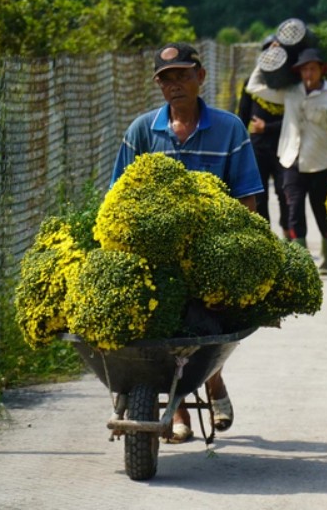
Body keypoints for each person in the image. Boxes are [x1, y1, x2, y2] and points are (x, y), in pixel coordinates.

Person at [111, 42, 264, 444]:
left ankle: (211, 381)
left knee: (203, 324)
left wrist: (238, 252)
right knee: (164, 330)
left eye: (181, 75)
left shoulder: (229, 128)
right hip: (157, 255)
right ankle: (180, 409)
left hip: (212, 251)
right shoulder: (143, 131)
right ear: (159, 87)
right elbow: (118, 197)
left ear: (200, 76)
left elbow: (247, 197)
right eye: (166, 79)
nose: (174, 85)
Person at [245, 46, 327, 276]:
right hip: (291, 162)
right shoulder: (290, 92)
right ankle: (305, 265)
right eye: (305, 69)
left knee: (322, 213)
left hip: (321, 165)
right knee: (294, 211)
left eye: (313, 69)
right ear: (299, 72)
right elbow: (253, 86)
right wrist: (267, 59)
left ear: (321, 71)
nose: (309, 74)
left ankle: (326, 259)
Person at [238, 33, 290, 236]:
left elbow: (294, 121)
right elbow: (243, 114)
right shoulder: (251, 83)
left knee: (284, 191)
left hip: (282, 146)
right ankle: (264, 236)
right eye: (268, 53)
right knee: (259, 196)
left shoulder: (288, 86)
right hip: (256, 147)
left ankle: (289, 235)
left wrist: (267, 127)